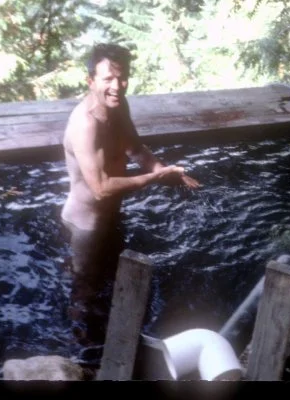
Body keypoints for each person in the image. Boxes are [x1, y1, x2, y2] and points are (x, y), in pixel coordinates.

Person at [61, 43, 200, 348]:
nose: (116, 86)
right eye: (108, 79)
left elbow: (136, 149)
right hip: (86, 227)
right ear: (91, 81)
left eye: (122, 78)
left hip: (113, 218)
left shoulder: (118, 106)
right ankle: (80, 353)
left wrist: (170, 174)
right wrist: (153, 178)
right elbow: (100, 188)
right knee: (84, 290)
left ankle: (117, 336)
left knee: (113, 279)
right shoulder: (85, 125)